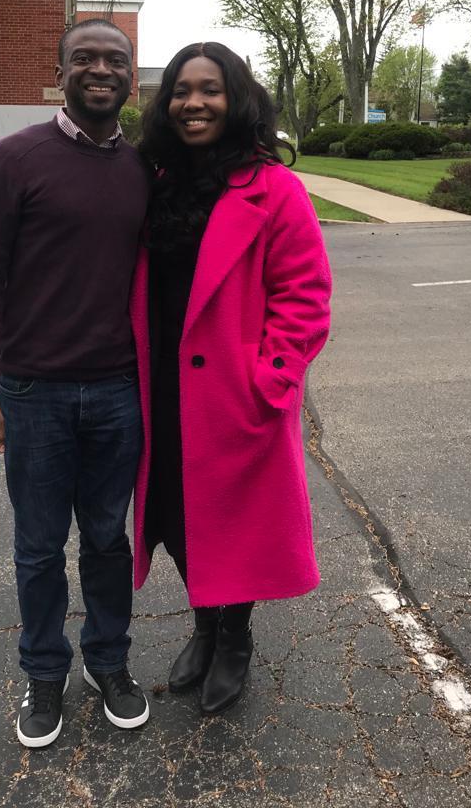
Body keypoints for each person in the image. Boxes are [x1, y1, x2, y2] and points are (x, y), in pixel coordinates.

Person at [0, 19, 150, 749]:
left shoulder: (144, 169)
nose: (101, 70)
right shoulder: (14, 160)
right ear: (60, 71)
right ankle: (43, 673)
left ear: (131, 76)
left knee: (106, 540)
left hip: (118, 391)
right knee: (38, 547)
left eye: (115, 60)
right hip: (32, 394)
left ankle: (108, 661)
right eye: (85, 58)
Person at [130, 41, 332, 714]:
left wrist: (269, 380)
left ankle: (234, 637)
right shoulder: (155, 180)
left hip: (235, 392)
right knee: (177, 514)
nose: (193, 103)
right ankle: (204, 625)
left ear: (236, 98)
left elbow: (305, 297)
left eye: (209, 90)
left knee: (232, 520)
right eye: (181, 91)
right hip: (163, 386)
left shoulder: (274, 188)